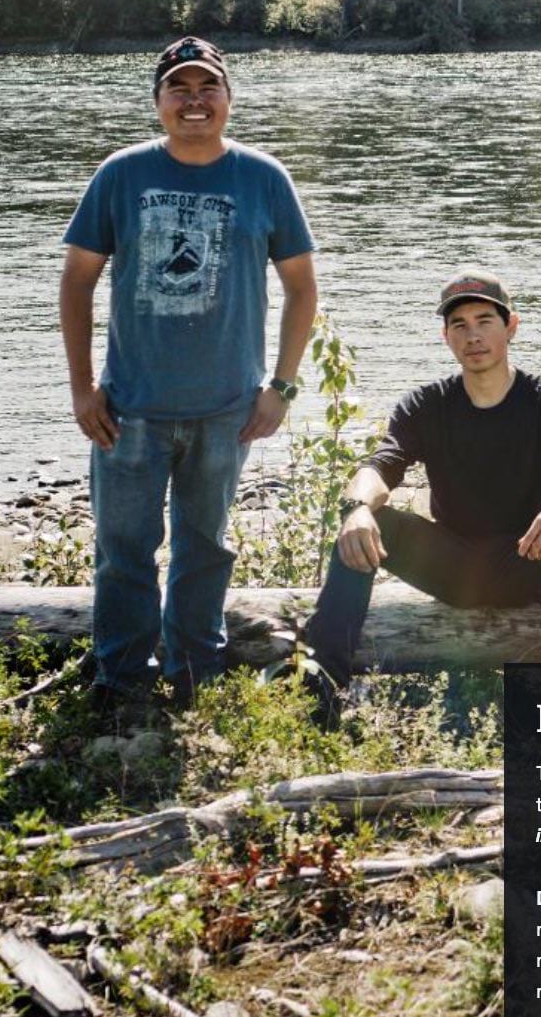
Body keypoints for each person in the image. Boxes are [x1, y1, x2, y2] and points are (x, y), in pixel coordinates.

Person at [60, 37, 318, 717]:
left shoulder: (263, 177)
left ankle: (195, 673)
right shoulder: (120, 174)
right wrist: (82, 387)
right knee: (123, 551)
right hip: (130, 407)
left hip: (227, 409)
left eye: (208, 87)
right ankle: (121, 680)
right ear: (159, 102)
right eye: (180, 87)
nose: (195, 101)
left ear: (229, 99)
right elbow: (77, 280)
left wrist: (282, 388)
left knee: (206, 548)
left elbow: (301, 288)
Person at [303, 272, 541, 715]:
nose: (473, 336)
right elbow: (381, 466)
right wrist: (357, 507)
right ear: (446, 336)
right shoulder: (425, 404)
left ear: (510, 326)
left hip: (528, 558)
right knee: (361, 521)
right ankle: (321, 689)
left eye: (484, 321)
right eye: (460, 325)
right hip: (453, 568)